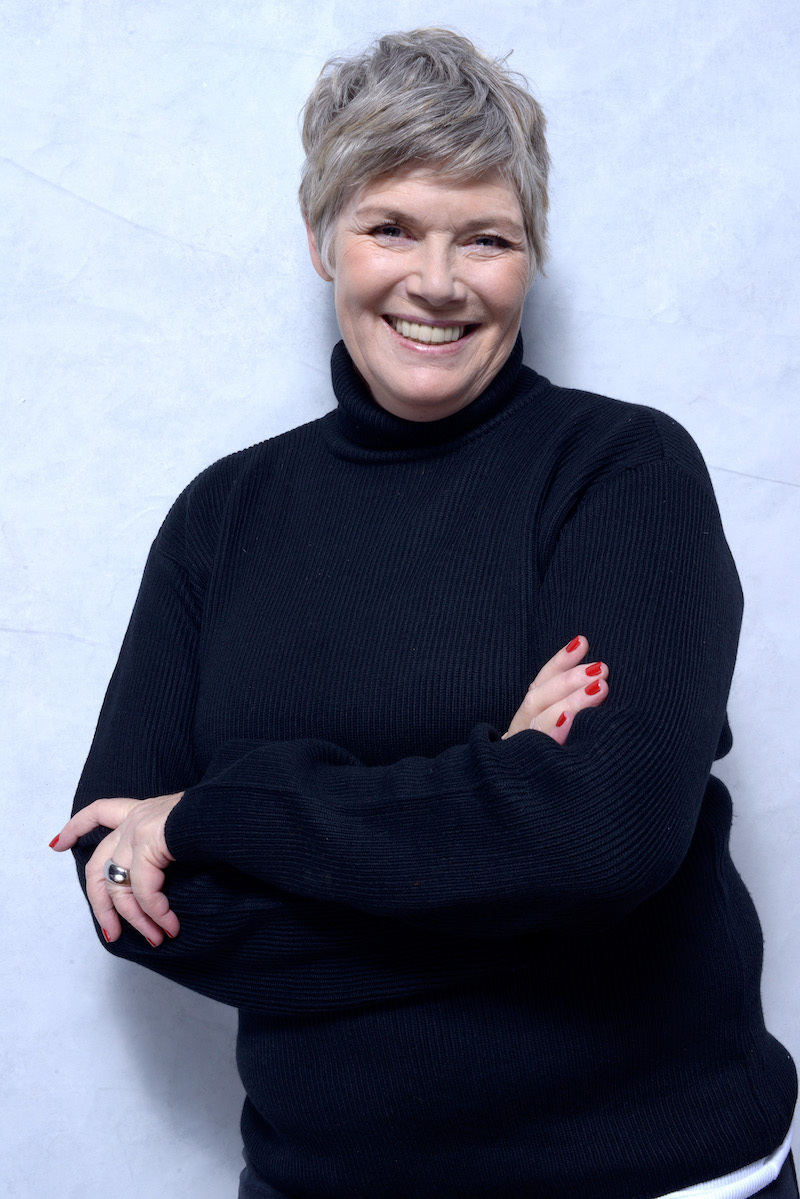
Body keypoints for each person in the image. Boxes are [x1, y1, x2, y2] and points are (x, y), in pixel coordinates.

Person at [51, 28, 796, 1199]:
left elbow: (601, 835)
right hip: (317, 1179)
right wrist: (501, 830)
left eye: (484, 237)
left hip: (656, 1173)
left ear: (529, 255)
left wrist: (218, 809)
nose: (437, 280)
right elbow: (125, 885)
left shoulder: (621, 473)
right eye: (391, 226)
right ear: (320, 240)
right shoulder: (222, 516)